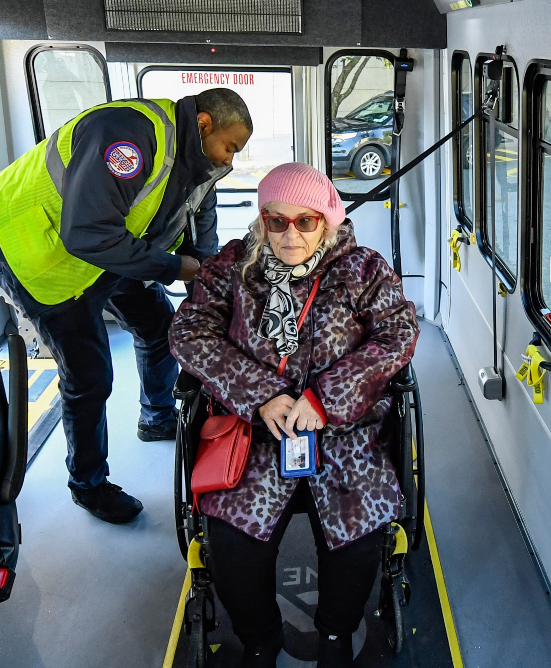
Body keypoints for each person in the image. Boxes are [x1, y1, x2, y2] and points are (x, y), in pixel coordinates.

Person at [169, 163, 420, 667]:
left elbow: (398, 334)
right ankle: (260, 639)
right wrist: (259, 394)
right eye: (276, 221)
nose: (290, 234)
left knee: (359, 533)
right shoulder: (231, 270)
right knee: (233, 544)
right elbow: (188, 330)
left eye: (305, 221)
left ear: (326, 220)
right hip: (253, 435)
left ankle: (335, 636)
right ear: (262, 222)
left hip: (348, 434)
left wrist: (327, 399)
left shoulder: (364, 270)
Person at [0, 89, 252, 524]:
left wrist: (211, 279)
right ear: (203, 124)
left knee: (161, 325)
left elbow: (200, 225)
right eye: (231, 146)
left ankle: (158, 415)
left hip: (108, 250)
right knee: (89, 373)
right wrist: (173, 267)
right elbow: (87, 232)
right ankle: (88, 484)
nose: (231, 160)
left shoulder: (200, 163)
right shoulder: (128, 135)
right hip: (35, 246)